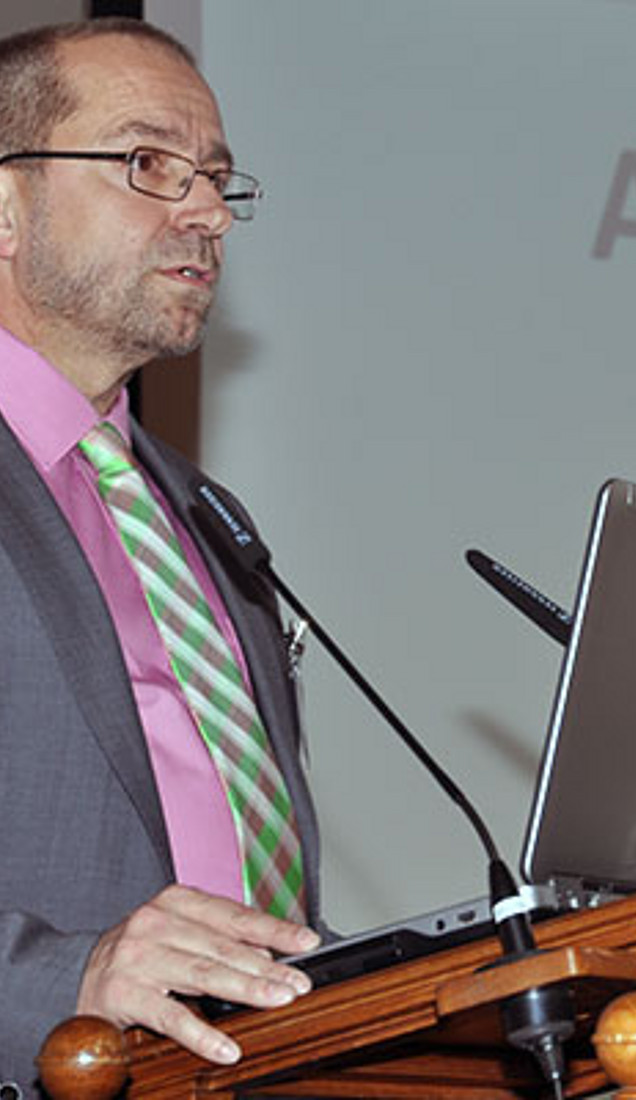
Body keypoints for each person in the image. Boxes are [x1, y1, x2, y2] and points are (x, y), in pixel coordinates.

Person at [0, 18, 322, 1093]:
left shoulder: (207, 517)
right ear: (4, 204)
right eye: (148, 164)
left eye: (218, 180)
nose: (206, 213)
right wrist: (61, 977)